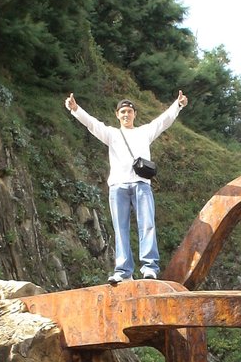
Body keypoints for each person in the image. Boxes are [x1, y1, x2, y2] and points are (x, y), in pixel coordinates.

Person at [65, 90, 188, 283]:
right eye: (122, 112)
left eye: (129, 112)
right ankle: (123, 271)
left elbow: (163, 121)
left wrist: (177, 105)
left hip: (141, 185)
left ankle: (149, 268)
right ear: (117, 115)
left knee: (147, 225)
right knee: (120, 228)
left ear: (134, 114)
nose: (126, 115)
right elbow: (92, 124)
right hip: (118, 185)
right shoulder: (112, 134)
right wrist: (76, 109)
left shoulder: (144, 132)